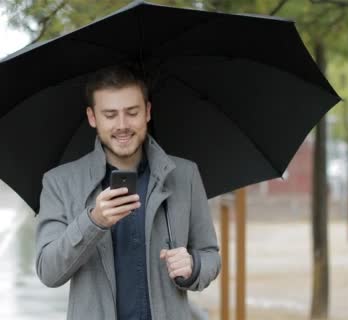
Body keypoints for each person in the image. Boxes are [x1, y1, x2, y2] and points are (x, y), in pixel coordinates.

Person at [35, 64, 221, 320]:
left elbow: (210, 255)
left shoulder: (185, 175)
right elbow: (49, 271)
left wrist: (194, 266)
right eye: (110, 115)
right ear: (92, 117)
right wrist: (93, 222)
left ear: (147, 111)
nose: (122, 125)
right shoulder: (59, 182)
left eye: (131, 112)